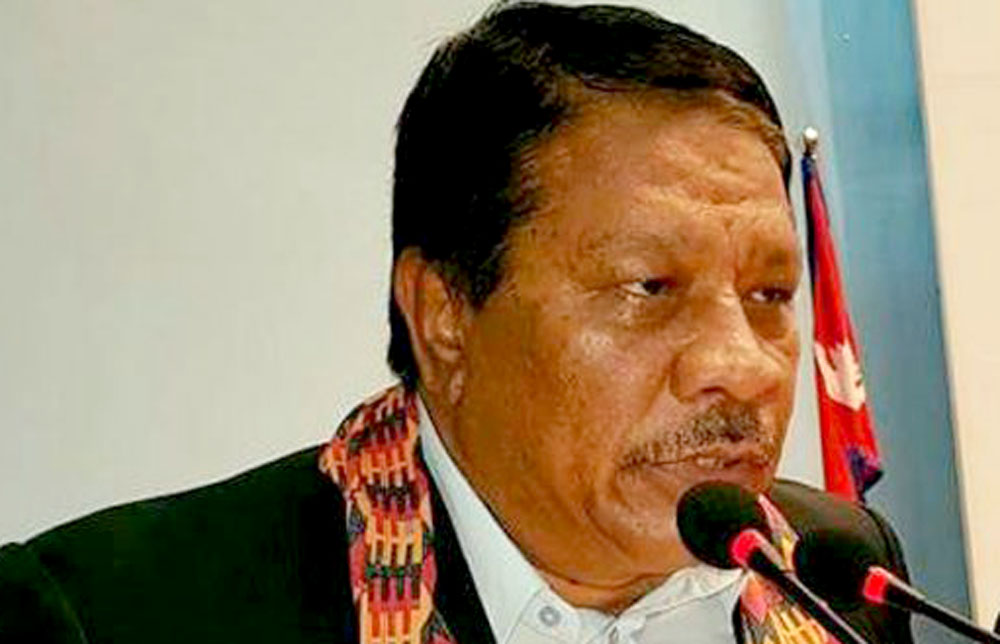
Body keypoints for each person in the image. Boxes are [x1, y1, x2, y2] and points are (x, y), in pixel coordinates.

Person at [0, 3, 913, 643]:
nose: (745, 366)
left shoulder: (838, 574)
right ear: (443, 318)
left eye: (769, 295)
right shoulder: (116, 615)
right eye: (649, 287)